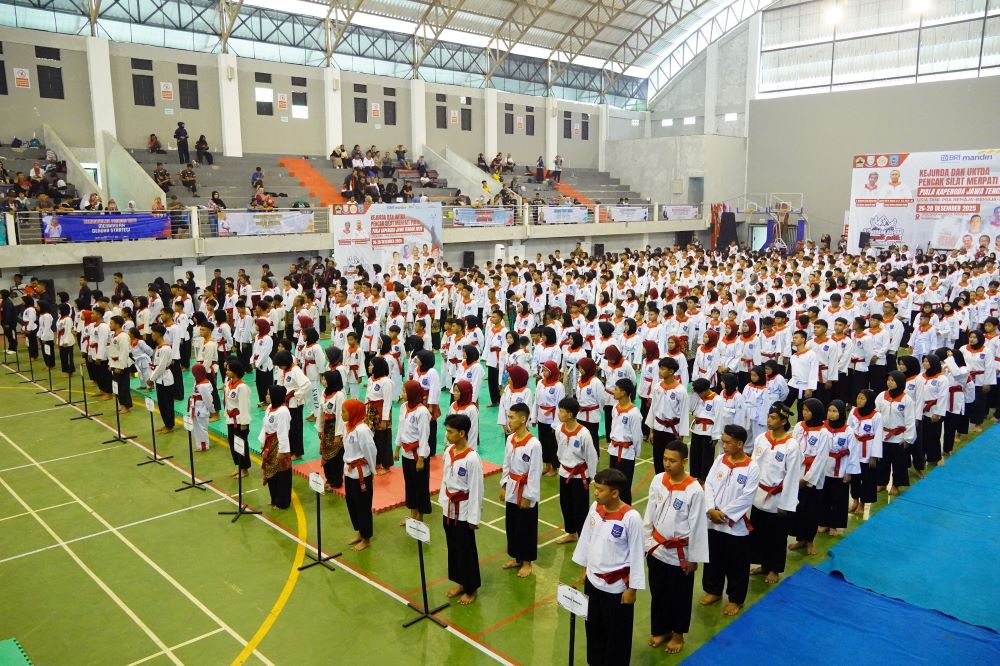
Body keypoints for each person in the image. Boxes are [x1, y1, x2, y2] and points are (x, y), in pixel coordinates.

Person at [571, 468, 645, 666]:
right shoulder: (595, 507)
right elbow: (587, 538)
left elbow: (637, 555)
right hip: (593, 582)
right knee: (593, 628)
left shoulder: (631, 518)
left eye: (600, 490)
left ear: (615, 493)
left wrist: (632, 589)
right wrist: (584, 570)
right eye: (595, 488)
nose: (595, 493)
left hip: (616, 587)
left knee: (617, 635)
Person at [643, 440, 709, 654]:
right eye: (664, 459)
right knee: (659, 592)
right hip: (657, 548)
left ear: (684, 461)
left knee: (679, 596)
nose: (667, 464)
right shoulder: (657, 480)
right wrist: (646, 543)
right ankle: (661, 629)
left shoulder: (694, 490)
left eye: (672, 460)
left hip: (680, 553)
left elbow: (698, 526)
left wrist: (694, 558)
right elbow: (649, 514)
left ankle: (678, 633)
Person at [700, 424, 759, 616]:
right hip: (712, 519)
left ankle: (736, 599)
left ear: (740, 444)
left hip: (734, 525)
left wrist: (723, 514)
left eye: (727, 442)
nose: (723, 445)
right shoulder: (720, 460)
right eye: (723, 441)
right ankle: (713, 590)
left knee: (737, 563)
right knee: (713, 558)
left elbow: (747, 497)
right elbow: (708, 484)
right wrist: (710, 509)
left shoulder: (751, 467)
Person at [748, 402, 802, 584]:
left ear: (784, 420)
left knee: (777, 536)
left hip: (778, 497)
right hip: (759, 493)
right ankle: (763, 564)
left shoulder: (791, 446)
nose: (769, 421)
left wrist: (785, 504)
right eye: (768, 417)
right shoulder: (761, 439)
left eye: (773, 418)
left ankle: (774, 568)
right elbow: (753, 467)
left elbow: (793, 477)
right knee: (759, 532)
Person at [439, 413, 484, 605]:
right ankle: (460, 581)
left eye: (450, 431)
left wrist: (474, 518)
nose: (447, 435)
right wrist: (443, 501)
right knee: (453, 548)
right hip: (449, 508)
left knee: (466, 550)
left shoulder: (472, 459)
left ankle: (471, 588)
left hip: (464, 511)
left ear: (462, 433)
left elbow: (476, 490)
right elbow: (445, 480)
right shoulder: (448, 452)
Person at [501, 402, 542, 578]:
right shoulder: (510, 439)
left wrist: (529, 496)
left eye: (511, 417)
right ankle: (517, 557)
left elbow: (534, 473)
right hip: (512, 486)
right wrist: (503, 485)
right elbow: (506, 464)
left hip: (525, 489)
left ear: (523, 419)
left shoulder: (534, 444)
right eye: (508, 416)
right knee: (512, 525)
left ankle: (527, 562)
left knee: (526, 527)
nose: (508, 420)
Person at [789, 398, 831, 555]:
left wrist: (807, 478)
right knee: (798, 508)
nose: (804, 413)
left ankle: (810, 541)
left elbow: (821, 458)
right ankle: (800, 539)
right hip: (797, 470)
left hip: (813, 475)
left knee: (811, 510)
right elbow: (792, 448)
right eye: (803, 410)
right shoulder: (799, 426)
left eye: (808, 410)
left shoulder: (823, 432)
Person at [555, 397, 598, 544]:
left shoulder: (583, 433)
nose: (559, 414)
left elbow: (592, 456)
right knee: (565, 504)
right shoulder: (559, 429)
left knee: (580, 508)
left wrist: (592, 476)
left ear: (570, 414)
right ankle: (571, 533)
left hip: (580, 476)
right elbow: (560, 449)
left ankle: (584, 538)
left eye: (561, 411)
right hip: (564, 472)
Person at [342, 398, 377, 550]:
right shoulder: (349, 426)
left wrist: (372, 470)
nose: (342, 414)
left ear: (353, 412)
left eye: (344, 411)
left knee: (363, 506)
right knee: (352, 504)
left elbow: (371, 451)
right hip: (349, 472)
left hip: (361, 474)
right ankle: (359, 532)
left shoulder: (362, 430)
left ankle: (366, 538)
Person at [395, 380, 432, 523]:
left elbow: (424, 436)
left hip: (418, 455)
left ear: (412, 393)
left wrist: (421, 458)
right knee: (410, 485)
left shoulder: (422, 411)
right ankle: (412, 514)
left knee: (421, 486)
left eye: (404, 391)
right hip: (406, 453)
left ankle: (420, 517)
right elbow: (400, 428)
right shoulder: (404, 407)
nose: (402, 394)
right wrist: (397, 447)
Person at [608, 378, 642, 504]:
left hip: (627, 453)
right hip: (614, 450)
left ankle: (625, 509)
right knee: (612, 483)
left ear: (623, 392)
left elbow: (637, 436)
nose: (614, 391)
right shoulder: (615, 408)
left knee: (624, 486)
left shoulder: (634, 413)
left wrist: (636, 453)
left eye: (616, 389)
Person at [260, 385, 293, 510]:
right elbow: (265, 426)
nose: (266, 396)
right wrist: (263, 440)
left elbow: (283, 432)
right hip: (269, 443)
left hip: (279, 444)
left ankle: (282, 502)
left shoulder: (283, 411)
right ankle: (274, 498)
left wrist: (282, 451)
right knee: (271, 472)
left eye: (268, 394)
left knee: (281, 474)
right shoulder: (269, 407)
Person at [274, 351, 310, 459]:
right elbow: (281, 384)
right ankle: (289, 450)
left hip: (295, 403)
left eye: (281, 364)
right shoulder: (284, 370)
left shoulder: (295, 370)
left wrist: (295, 394)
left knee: (296, 428)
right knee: (287, 428)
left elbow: (307, 384)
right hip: (285, 403)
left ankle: (297, 452)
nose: (280, 367)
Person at [318, 370, 346, 492]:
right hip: (326, 428)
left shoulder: (339, 395)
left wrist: (338, 434)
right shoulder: (324, 392)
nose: (323, 381)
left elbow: (340, 415)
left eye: (325, 379)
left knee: (336, 456)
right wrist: (319, 427)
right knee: (326, 454)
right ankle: (329, 478)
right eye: (322, 379)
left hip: (335, 428)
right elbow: (320, 412)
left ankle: (336, 481)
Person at [224, 360, 252, 478]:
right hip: (231, 419)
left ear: (235, 372)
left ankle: (244, 469)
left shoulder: (242, 387)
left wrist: (244, 423)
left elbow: (244, 406)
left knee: (241, 444)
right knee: (232, 443)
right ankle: (238, 466)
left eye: (229, 369)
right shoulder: (228, 384)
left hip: (239, 421)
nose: (226, 371)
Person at [366, 356, 394, 473]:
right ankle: (376, 461)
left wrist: (384, 420)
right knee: (373, 437)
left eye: (371, 365)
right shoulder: (370, 380)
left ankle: (386, 465)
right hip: (371, 411)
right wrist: (365, 413)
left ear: (377, 367)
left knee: (384, 437)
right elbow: (367, 397)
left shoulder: (386, 382)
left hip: (382, 411)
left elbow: (387, 401)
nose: (369, 367)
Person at [146, 324, 175, 433]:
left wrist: (151, 378)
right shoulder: (159, 347)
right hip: (159, 378)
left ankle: (170, 425)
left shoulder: (165, 348)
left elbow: (162, 367)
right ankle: (167, 423)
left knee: (167, 403)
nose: (151, 335)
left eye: (153, 332)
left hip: (165, 379)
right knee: (162, 404)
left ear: (158, 334)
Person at [107, 316, 133, 413]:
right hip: (115, 364)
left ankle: (126, 406)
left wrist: (120, 367)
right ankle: (121, 404)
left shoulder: (123, 336)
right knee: (117, 386)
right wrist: (111, 364)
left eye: (111, 323)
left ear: (117, 325)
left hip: (122, 366)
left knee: (123, 387)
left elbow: (124, 353)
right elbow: (111, 351)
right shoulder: (114, 335)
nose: (110, 325)